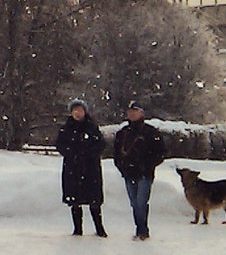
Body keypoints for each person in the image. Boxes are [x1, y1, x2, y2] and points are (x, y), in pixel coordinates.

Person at [113, 100, 166, 240]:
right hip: (129, 173)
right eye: (130, 111)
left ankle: (142, 230)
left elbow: (161, 152)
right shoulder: (122, 133)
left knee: (141, 202)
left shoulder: (150, 132)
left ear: (141, 113)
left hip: (145, 173)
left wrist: (148, 165)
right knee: (134, 203)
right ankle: (140, 228)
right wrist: (122, 167)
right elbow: (116, 153)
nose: (132, 114)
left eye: (135, 111)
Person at [55, 99, 106, 237]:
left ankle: (99, 227)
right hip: (73, 167)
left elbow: (100, 144)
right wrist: (71, 153)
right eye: (75, 110)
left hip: (90, 168)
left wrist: (89, 153)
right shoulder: (66, 128)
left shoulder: (92, 127)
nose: (77, 113)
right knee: (74, 199)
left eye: (80, 110)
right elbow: (60, 145)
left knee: (94, 199)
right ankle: (77, 228)